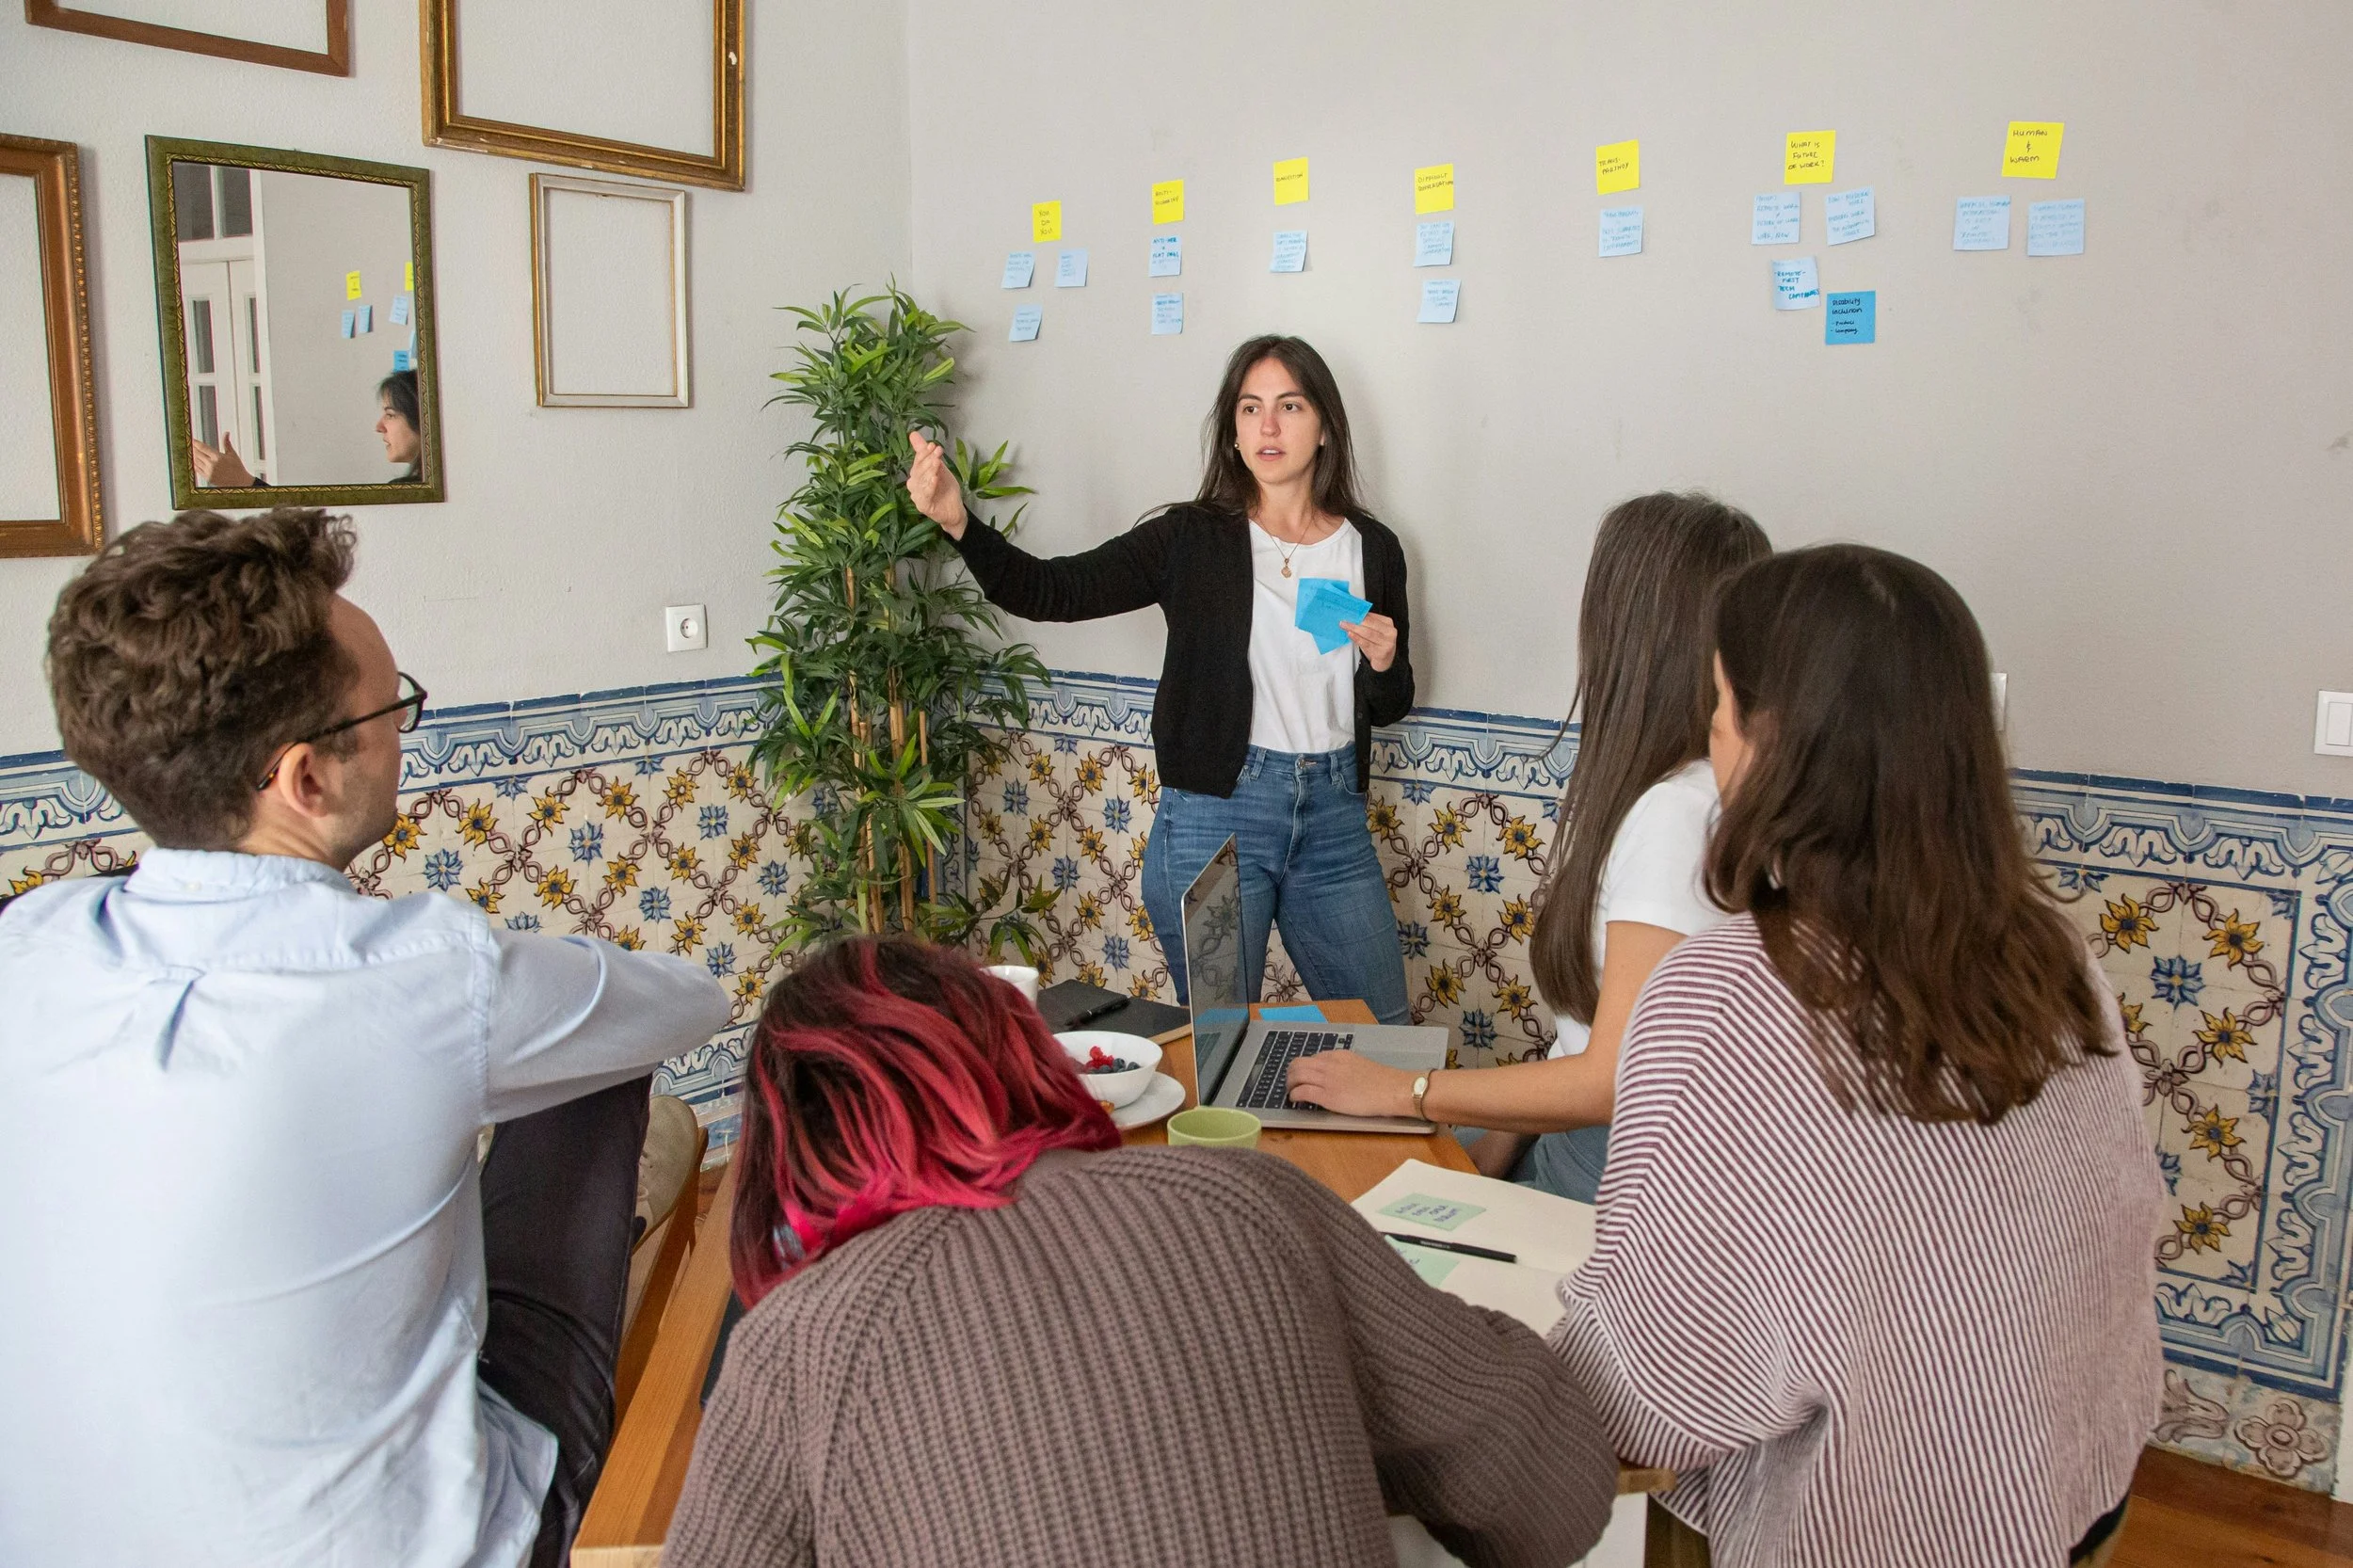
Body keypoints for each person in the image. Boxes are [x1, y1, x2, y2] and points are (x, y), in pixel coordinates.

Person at [0, 508, 731, 1568]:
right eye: (396, 707)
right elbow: (689, 1003)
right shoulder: (425, 973)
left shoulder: (31, 942)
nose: (403, 731)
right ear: (306, 778)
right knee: (595, 1062)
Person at [1547, 545, 2164, 1567]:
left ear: (1772, 740)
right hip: (2078, 1493)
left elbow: (1646, 1398)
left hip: (1877, 1528)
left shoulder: (1719, 995)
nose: (1708, 731)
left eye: (1718, 704)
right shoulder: (2050, 950)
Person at [664, 936, 1618, 1568]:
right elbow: (1554, 1496)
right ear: (1024, 1053)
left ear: (781, 1149)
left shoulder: (794, 1344)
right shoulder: (1250, 1199)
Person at [905, 335, 1415, 1021]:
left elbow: (1389, 704)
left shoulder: (1372, 548)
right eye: (1250, 408)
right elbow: (1051, 591)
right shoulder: (1189, 539)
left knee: (1384, 1034)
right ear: (1232, 431)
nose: (1268, 427)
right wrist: (959, 523)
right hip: (1216, 817)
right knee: (1225, 1039)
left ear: (1324, 426)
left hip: (1333, 817)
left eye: (1290, 406)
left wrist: (1384, 663)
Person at [1289, 493, 1769, 1197]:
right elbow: (1590, 1030)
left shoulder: (1678, 814)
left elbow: (1609, 1079)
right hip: (1572, 1147)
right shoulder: (1674, 790)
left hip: (1604, 1169)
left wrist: (1405, 1091)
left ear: (1635, 631)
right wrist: (1497, 1147)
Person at [194, 368, 424, 486]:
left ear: (420, 418)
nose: (379, 426)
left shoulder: (412, 491)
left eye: (390, 415)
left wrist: (243, 483)